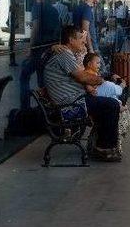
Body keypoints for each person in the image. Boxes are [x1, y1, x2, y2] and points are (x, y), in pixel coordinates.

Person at [43, 26, 121, 162]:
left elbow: (82, 75)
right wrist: (101, 80)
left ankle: (101, 144)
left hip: (76, 99)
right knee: (112, 105)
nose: (84, 42)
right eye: (80, 39)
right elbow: (83, 77)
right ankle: (103, 148)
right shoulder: (64, 54)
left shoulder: (67, 53)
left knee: (111, 102)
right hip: (70, 104)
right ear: (71, 40)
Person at [19, 0, 60, 109]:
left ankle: (25, 108)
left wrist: (31, 49)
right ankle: (45, 108)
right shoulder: (53, 9)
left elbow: (35, 29)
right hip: (50, 50)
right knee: (42, 80)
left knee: (24, 76)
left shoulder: (37, 7)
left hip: (39, 49)